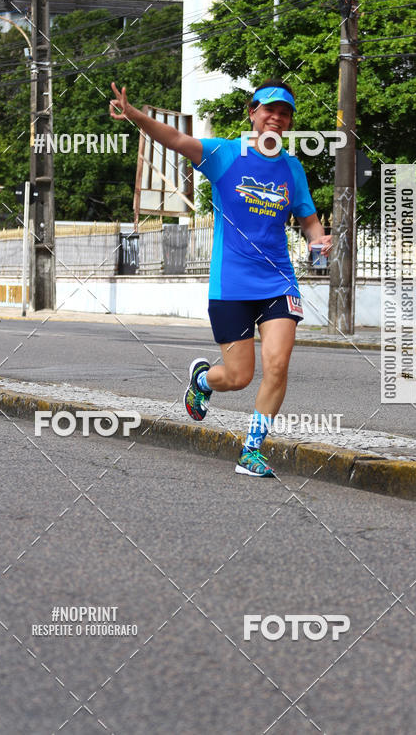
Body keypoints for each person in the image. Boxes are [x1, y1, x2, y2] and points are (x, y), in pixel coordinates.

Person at [109, 79, 331, 478]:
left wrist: (319, 241)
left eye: (285, 114)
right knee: (238, 377)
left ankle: (252, 450)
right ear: (253, 114)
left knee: (277, 366)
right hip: (231, 284)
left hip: (279, 281)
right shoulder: (225, 154)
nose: (277, 119)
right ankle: (203, 380)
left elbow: (310, 222)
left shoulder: (292, 168)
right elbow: (176, 139)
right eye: (269, 110)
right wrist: (134, 114)